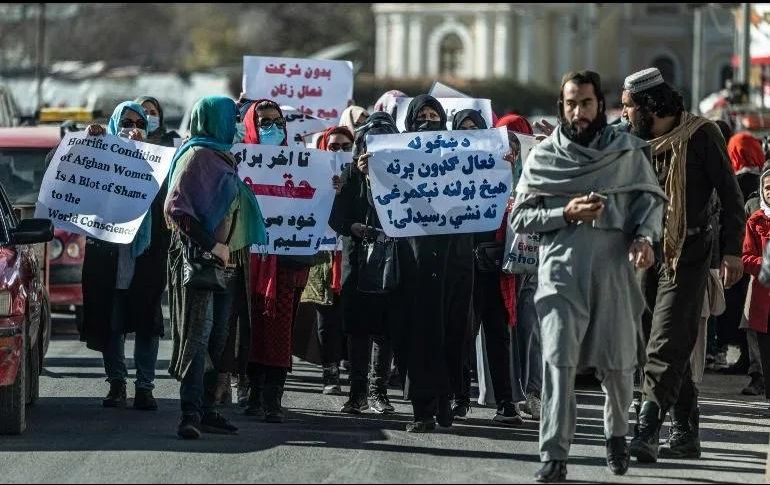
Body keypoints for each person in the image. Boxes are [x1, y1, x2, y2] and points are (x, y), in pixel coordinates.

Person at [511, 70, 667, 482]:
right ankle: (554, 454)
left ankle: (616, 435)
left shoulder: (627, 153)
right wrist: (565, 212)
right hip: (561, 273)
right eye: (570, 104)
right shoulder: (544, 157)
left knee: (617, 365)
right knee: (558, 362)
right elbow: (521, 218)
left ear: (601, 105)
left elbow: (649, 204)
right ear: (561, 107)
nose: (578, 112)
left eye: (586, 103)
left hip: (615, 271)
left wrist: (644, 239)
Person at [620, 67, 746, 462]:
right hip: (644, 253)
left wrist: (730, 252)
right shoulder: (631, 140)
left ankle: (647, 430)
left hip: (688, 254)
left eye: (627, 107)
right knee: (650, 343)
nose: (623, 115)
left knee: (666, 339)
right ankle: (687, 431)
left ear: (648, 106)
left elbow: (731, 198)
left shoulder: (702, 135)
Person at [165, 95, 266, 439]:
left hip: (230, 266)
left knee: (219, 341)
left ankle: (208, 409)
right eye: (231, 117)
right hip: (203, 266)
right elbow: (178, 211)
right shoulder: (197, 157)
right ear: (214, 120)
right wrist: (214, 246)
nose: (237, 124)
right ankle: (189, 414)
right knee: (199, 339)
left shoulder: (222, 156)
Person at [242, 99, 339, 422]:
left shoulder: (303, 162)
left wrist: (331, 187)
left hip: (288, 263)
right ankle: (251, 393)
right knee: (251, 330)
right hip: (248, 265)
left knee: (279, 331)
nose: (272, 127)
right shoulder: (240, 160)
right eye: (264, 121)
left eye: (277, 121)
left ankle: (272, 398)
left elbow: (316, 208)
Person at [80, 102, 170, 411]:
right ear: (115, 124)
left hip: (144, 254)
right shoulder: (100, 155)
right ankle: (116, 383)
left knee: (147, 321)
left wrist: (146, 154)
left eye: (138, 122)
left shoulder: (159, 160)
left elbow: (170, 197)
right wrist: (88, 140)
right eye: (126, 122)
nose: (132, 127)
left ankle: (145, 387)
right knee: (112, 321)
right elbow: (60, 166)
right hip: (109, 255)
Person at [393, 95, 475, 433]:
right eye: (422, 116)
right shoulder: (397, 156)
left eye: (434, 115)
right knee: (422, 334)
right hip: (417, 262)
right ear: (411, 124)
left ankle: (448, 400)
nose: (429, 120)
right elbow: (385, 203)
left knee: (453, 333)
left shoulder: (461, 156)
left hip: (456, 260)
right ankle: (422, 409)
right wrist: (371, 173)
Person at [449, 109, 523, 427]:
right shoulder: (445, 170)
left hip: (494, 264)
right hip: (462, 264)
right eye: (463, 128)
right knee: (463, 335)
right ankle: (460, 399)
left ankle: (506, 403)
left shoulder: (503, 167)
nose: (469, 133)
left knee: (497, 335)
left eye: (475, 128)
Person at [329, 112, 401, 415]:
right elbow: (337, 219)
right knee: (358, 330)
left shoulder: (403, 175)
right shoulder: (349, 175)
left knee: (384, 330)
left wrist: (378, 179)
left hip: (389, 261)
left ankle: (378, 392)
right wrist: (355, 227)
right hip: (357, 263)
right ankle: (357, 393)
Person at [495, 113, 543, 422]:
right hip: (497, 257)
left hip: (530, 259)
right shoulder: (489, 168)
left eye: (517, 139)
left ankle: (533, 392)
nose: (511, 148)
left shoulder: (539, 166)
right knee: (503, 329)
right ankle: (508, 393)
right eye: (505, 139)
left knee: (530, 326)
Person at [300, 125, 352, 395]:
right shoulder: (313, 175)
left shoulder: (359, 176)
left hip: (351, 254)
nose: (340, 152)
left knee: (351, 315)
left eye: (346, 147)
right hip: (322, 254)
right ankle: (329, 371)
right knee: (326, 316)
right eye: (334, 147)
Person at [742, 163, 770, 415]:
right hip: (764, 296)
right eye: (766, 187)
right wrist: (766, 262)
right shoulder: (756, 219)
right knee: (765, 351)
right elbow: (746, 257)